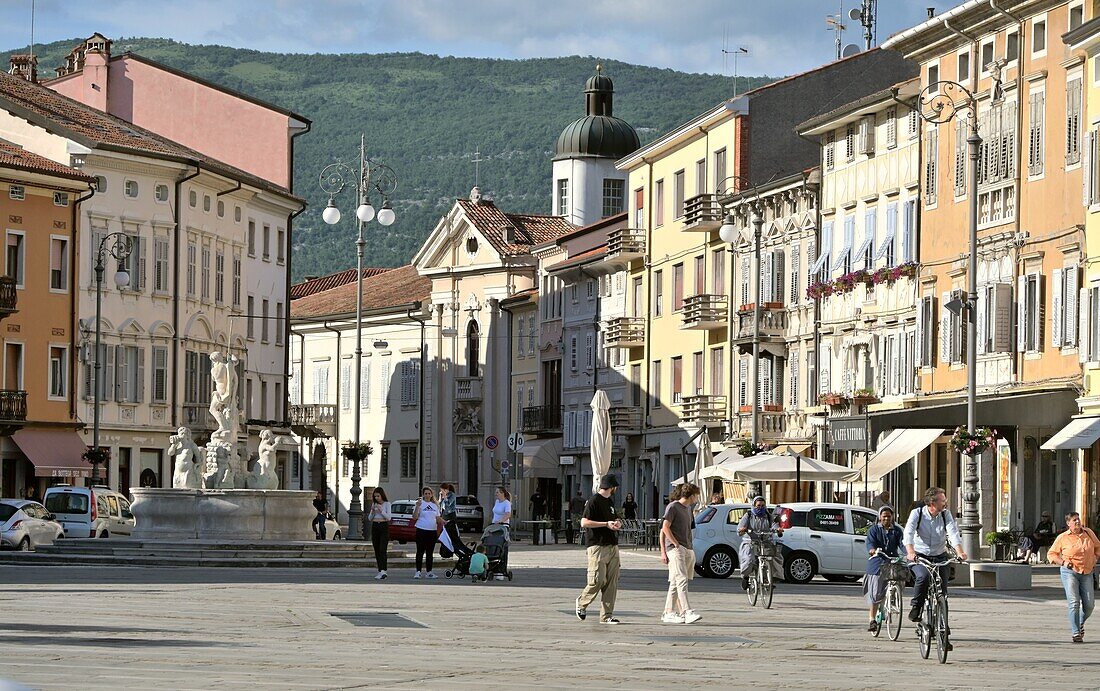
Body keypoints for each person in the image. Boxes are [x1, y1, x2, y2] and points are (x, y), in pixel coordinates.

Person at [903, 486, 968, 650]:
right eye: (943, 500)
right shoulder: (917, 514)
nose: (945, 503)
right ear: (932, 502)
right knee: (923, 577)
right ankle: (916, 607)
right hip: (920, 555)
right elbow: (908, 534)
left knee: (943, 594)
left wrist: (960, 552)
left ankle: (944, 633)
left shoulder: (945, 515)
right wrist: (910, 552)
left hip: (940, 556)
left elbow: (953, 533)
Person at [575, 474, 623, 624]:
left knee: (612, 582)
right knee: (598, 580)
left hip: (612, 545)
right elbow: (584, 522)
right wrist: (605, 524)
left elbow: (613, 518)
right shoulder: (593, 501)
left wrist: (617, 523)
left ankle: (606, 615)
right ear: (612, 487)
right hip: (597, 545)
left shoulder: (609, 501)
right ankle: (582, 602)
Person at [1047, 511, 1100, 643]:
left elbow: (1097, 547)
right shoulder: (1063, 537)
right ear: (1068, 523)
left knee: (1089, 605)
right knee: (1074, 602)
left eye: (1078, 519)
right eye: (1074, 520)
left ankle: (1080, 622)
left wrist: (1094, 559)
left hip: (1087, 572)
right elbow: (1052, 554)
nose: (1077, 522)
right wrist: (1064, 562)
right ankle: (1076, 632)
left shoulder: (1088, 533)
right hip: (1069, 572)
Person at [660, 483, 702, 624]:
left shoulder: (689, 509)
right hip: (675, 548)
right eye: (696, 495)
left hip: (687, 548)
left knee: (675, 582)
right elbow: (664, 528)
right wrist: (671, 546)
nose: (697, 498)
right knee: (682, 579)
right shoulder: (673, 507)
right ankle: (686, 611)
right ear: (691, 496)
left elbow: (689, 529)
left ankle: (668, 612)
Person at [863, 505, 904, 632]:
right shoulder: (874, 530)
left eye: (889, 516)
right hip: (877, 561)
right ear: (880, 517)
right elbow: (870, 543)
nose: (886, 518)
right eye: (884, 516)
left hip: (892, 560)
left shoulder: (897, 531)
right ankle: (872, 619)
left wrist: (908, 552)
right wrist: (872, 550)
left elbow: (902, 544)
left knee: (901, 577)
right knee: (875, 593)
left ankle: (893, 600)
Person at [737, 496, 784, 591]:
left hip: (765, 542)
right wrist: (743, 530)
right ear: (754, 505)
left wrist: (778, 530)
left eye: (762, 506)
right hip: (750, 542)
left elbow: (775, 525)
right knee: (749, 560)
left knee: (775, 558)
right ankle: (745, 577)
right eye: (758, 506)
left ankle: (770, 579)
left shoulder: (768, 516)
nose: (760, 508)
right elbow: (739, 529)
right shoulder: (748, 515)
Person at [411, 487, 443, 579]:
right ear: (423, 494)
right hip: (421, 529)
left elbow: (437, 518)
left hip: (432, 531)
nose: (427, 495)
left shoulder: (435, 505)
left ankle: (429, 572)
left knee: (430, 552)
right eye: (426, 493)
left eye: (429, 493)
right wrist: (417, 506)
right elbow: (414, 517)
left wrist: (443, 522)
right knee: (420, 551)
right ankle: (418, 571)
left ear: (431, 495)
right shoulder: (420, 504)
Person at [367, 487, 391, 580]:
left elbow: (388, 517)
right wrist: (373, 510)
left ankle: (384, 570)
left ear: (382, 495)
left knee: (382, 549)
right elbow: (370, 518)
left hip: (383, 526)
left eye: (378, 496)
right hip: (375, 526)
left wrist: (381, 511)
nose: (377, 498)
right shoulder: (374, 504)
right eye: (375, 496)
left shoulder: (387, 504)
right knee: (376, 549)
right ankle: (380, 570)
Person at [491, 486, 513, 577]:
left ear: (502, 493)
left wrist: (501, 521)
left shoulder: (506, 503)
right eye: (496, 492)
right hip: (494, 526)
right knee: (493, 547)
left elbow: (508, 514)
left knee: (502, 548)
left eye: (497, 492)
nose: (496, 494)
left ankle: (502, 570)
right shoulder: (497, 502)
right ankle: (494, 568)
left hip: (503, 527)